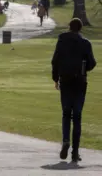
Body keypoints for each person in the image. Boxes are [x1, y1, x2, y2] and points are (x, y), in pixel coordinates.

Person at [51, 18, 96, 163]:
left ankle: (65, 140)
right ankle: (75, 152)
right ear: (80, 28)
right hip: (79, 82)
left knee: (65, 113)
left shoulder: (62, 40)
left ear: (69, 27)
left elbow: (55, 60)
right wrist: (84, 68)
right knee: (77, 116)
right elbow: (92, 63)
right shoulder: (85, 43)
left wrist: (55, 78)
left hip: (65, 80)